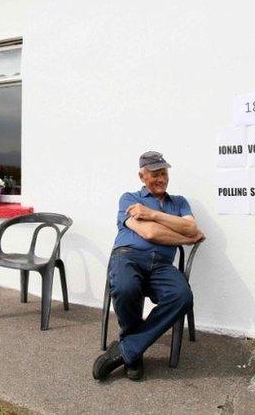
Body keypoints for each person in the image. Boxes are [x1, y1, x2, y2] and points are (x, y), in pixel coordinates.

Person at [92, 151, 204, 381]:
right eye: (154, 174)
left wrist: (152, 214)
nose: (161, 178)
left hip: (161, 265)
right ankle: (134, 352)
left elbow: (193, 228)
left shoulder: (180, 202)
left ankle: (128, 350)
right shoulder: (129, 199)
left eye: (164, 173)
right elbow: (150, 232)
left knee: (182, 296)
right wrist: (182, 234)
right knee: (126, 288)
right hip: (128, 257)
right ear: (142, 176)